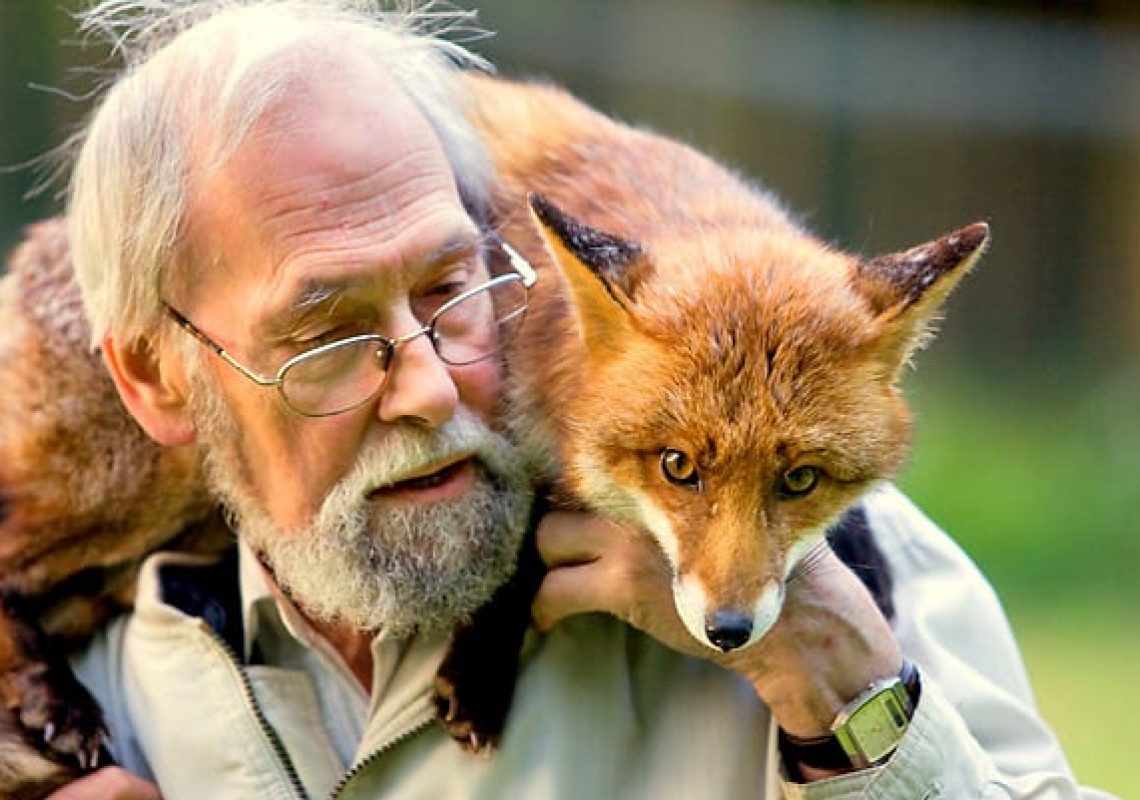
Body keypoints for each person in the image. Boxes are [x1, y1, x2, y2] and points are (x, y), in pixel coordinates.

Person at [49, 1, 1110, 798]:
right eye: (329, 332)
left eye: (449, 286)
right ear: (153, 377)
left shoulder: (851, 576)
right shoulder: (91, 630)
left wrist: (850, 689)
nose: (423, 382)